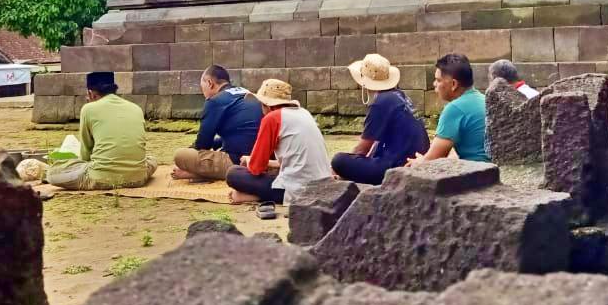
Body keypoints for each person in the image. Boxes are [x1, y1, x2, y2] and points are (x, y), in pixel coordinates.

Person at [226, 79, 331, 219]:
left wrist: (251, 161)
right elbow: (291, 160)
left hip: (297, 189)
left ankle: (256, 196)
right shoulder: (304, 113)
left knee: (233, 173)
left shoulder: (272, 118)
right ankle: (257, 195)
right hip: (321, 183)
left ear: (267, 106)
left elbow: (256, 168)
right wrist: (261, 162)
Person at [47, 72, 156, 190]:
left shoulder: (88, 109)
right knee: (152, 160)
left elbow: (85, 153)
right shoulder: (136, 108)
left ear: (91, 93)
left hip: (101, 178)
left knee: (52, 174)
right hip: (138, 178)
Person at [331, 54, 428, 185]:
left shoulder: (380, 102)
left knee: (338, 161)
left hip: (396, 166)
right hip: (410, 158)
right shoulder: (400, 95)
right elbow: (375, 141)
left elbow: (362, 149)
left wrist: (342, 169)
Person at [171, 65, 262, 181]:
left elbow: (203, 144)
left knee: (180, 155)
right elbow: (242, 132)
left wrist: (190, 151)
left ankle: (199, 173)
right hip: (261, 158)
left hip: (239, 161)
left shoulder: (215, 101)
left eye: (202, 87)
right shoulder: (247, 92)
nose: (202, 92)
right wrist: (216, 143)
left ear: (209, 83)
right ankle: (201, 172)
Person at [409, 53, 489, 165]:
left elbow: (432, 161)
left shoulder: (454, 109)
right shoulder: (483, 99)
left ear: (453, 84)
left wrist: (418, 162)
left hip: (476, 174)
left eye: (438, 80)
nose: (434, 84)